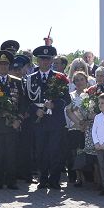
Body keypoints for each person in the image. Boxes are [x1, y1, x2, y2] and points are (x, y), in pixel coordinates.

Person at [26, 44, 69, 190]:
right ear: (37, 61)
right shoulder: (30, 78)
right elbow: (26, 100)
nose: (45, 62)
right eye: (42, 59)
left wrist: (54, 104)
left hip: (55, 121)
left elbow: (66, 99)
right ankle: (43, 179)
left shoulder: (60, 77)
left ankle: (54, 180)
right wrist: (35, 111)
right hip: (39, 121)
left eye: (48, 59)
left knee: (55, 151)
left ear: (51, 61)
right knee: (40, 151)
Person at [0, 50, 28, 190]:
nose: (3, 67)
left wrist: (19, 119)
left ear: (9, 66)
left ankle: (11, 181)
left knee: (11, 153)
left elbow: (23, 103)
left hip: (12, 124)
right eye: (0, 64)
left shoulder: (17, 82)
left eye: (5, 64)